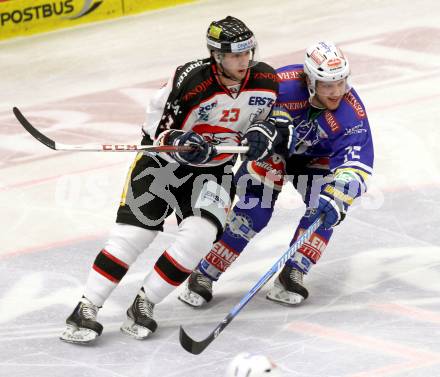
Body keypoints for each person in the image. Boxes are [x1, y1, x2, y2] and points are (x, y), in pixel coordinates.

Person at [60, 16, 284, 344]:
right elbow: (158, 129)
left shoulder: (265, 79)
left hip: (213, 172)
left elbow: (272, 120)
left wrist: (264, 132)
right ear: (217, 56)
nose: (244, 61)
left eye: (247, 52)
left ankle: (144, 303)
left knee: (200, 236)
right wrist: (181, 142)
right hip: (161, 164)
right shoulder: (190, 80)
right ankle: (86, 307)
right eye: (235, 55)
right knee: (133, 235)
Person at [179, 41, 374, 307]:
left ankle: (294, 271)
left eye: (341, 82)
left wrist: (339, 193)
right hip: (275, 153)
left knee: (325, 209)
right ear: (310, 80)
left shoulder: (351, 111)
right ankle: (205, 272)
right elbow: (245, 114)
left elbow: (357, 162)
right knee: (253, 212)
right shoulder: (280, 84)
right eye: (328, 84)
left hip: (316, 160)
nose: (337, 91)